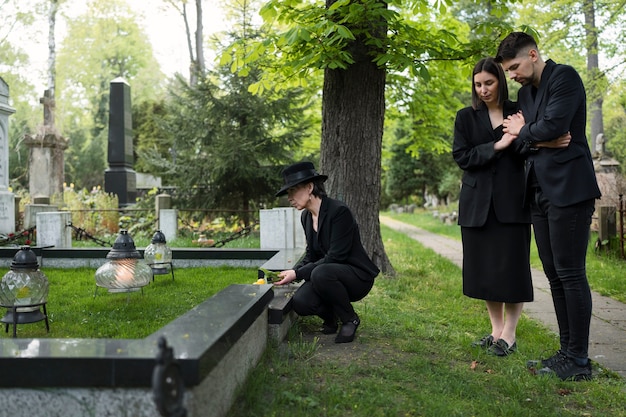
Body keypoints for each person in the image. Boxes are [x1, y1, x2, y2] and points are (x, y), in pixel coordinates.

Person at [496, 32, 601, 381]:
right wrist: (538, 136)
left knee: (571, 274)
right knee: (554, 275)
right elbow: (522, 145)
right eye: (508, 70)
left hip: (570, 190)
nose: (511, 76)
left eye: (514, 67)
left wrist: (529, 129)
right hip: (538, 192)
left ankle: (579, 362)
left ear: (533, 54)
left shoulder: (565, 77)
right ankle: (566, 353)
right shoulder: (526, 93)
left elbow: (555, 126)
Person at [452, 57, 569, 357]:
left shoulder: (519, 111)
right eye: (478, 84)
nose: (483, 90)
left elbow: (529, 145)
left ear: (500, 82)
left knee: (512, 269)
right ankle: (495, 331)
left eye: (489, 83)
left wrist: (535, 141)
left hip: (513, 201)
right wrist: (497, 146)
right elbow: (462, 157)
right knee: (487, 271)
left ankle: (511, 334)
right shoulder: (465, 117)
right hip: (477, 205)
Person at [273, 162, 380, 343]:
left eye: (292, 191)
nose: (289, 197)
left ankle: (349, 319)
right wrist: (291, 274)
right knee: (301, 302)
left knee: (321, 272)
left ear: (309, 187)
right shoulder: (306, 217)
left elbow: (336, 256)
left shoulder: (339, 212)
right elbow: (311, 255)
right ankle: (331, 317)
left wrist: (297, 273)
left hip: (355, 277)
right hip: (328, 275)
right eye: (288, 193)